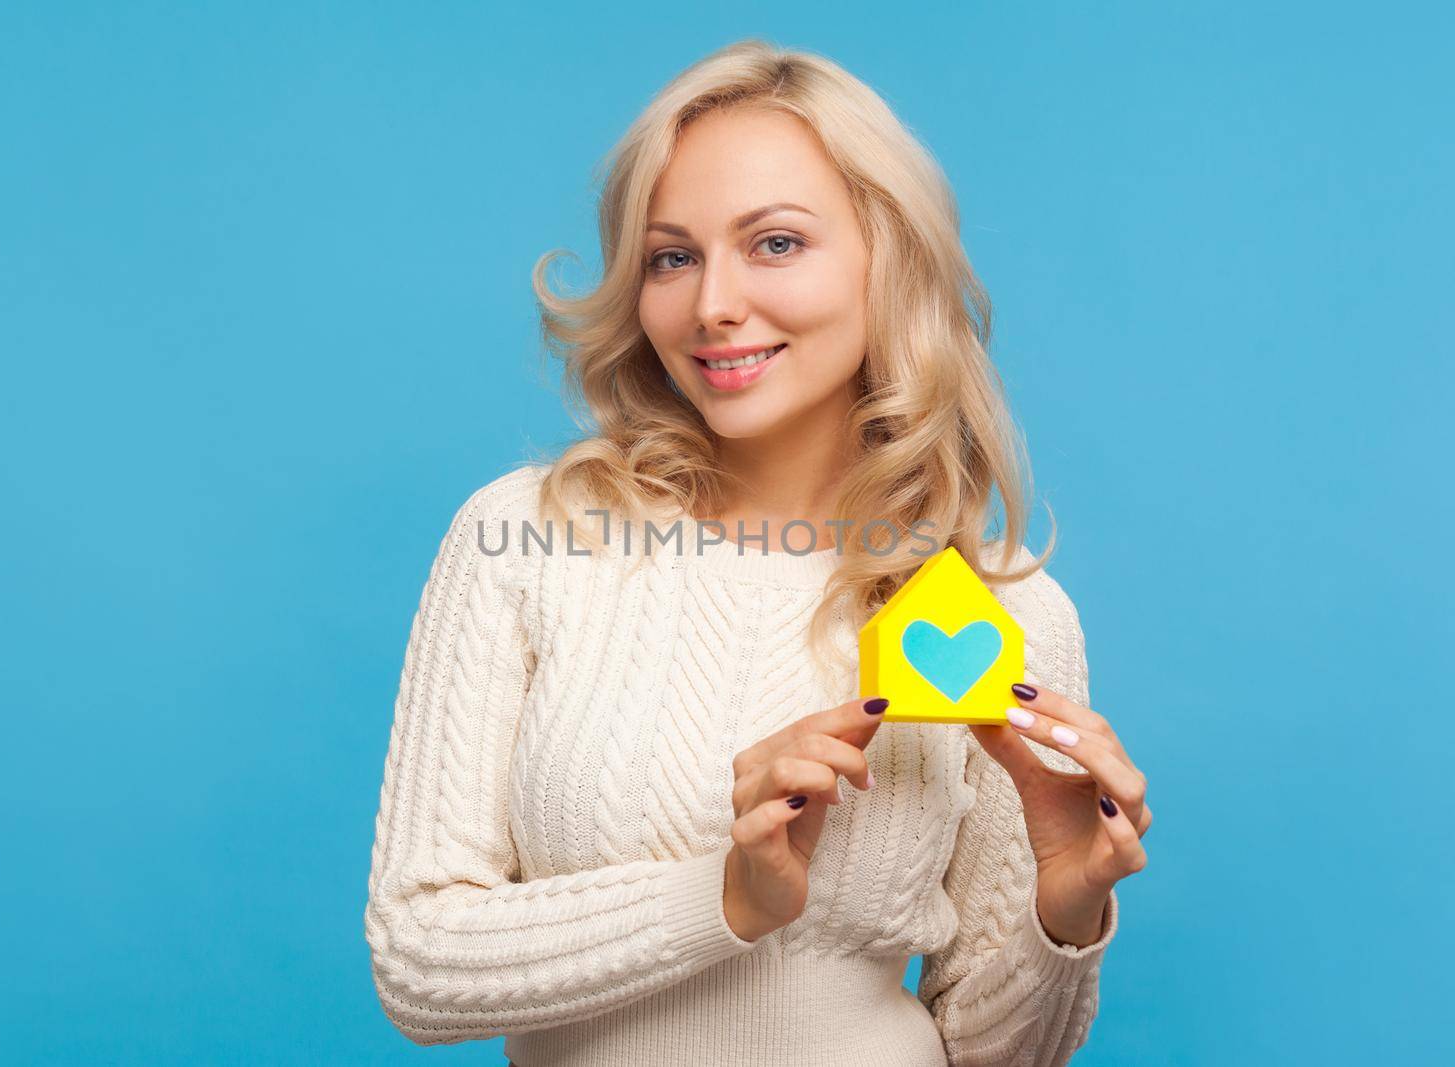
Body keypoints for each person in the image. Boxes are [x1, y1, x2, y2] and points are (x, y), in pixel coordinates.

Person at [364, 38, 1151, 1067]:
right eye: (672, 255)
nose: (711, 305)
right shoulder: (527, 540)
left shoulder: (999, 609)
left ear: (888, 257)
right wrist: (724, 895)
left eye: (774, 243)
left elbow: (997, 1054)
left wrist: (1063, 901)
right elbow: (420, 960)